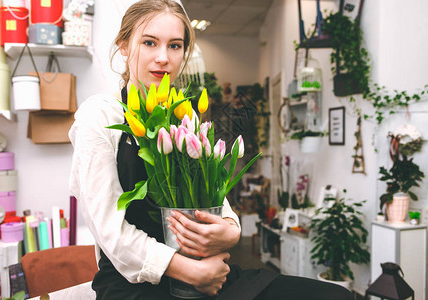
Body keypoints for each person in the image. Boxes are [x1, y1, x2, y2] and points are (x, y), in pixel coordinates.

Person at [69, 0, 355, 299]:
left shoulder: (185, 116)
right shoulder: (99, 117)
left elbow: (216, 198)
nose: (163, 57)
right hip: (136, 287)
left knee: (336, 296)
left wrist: (232, 230)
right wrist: (193, 272)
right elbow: (111, 234)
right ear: (124, 46)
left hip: (205, 273)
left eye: (175, 45)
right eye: (149, 42)